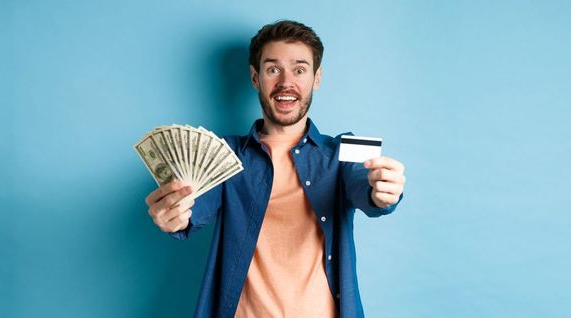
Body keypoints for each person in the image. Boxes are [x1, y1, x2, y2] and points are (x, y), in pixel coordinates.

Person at [144, 20, 406, 318]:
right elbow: (191, 207)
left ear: (316, 78)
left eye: (299, 69)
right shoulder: (224, 153)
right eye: (272, 69)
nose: (285, 83)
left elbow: (367, 188)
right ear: (255, 78)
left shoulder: (344, 150)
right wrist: (173, 215)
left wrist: (384, 193)